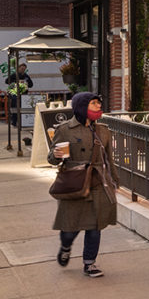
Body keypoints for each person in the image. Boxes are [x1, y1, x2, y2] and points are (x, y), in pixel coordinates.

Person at [48, 92, 117, 278]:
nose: (98, 107)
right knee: (70, 229)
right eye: (93, 104)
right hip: (74, 183)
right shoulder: (65, 129)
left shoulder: (103, 130)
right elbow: (51, 159)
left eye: (99, 103)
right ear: (81, 107)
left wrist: (115, 181)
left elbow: (108, 158)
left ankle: (90, 263)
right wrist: (56, 155)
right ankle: (66, 246)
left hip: (97, 182)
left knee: (95, 227)